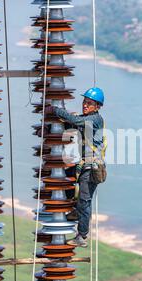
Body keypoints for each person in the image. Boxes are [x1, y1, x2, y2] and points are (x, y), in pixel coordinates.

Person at [45, 87, 106, 248]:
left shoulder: (95, 120)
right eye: (85, 102)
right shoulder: (85, 119)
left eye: (90, 103)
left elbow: (77, 122)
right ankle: (75, 210)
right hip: (83, 165)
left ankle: (82, 236)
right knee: (67, 179)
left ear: (97, 106)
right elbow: (72, 126)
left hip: (92, 168)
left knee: (85, 201)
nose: (85, 105)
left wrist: (56, 110)